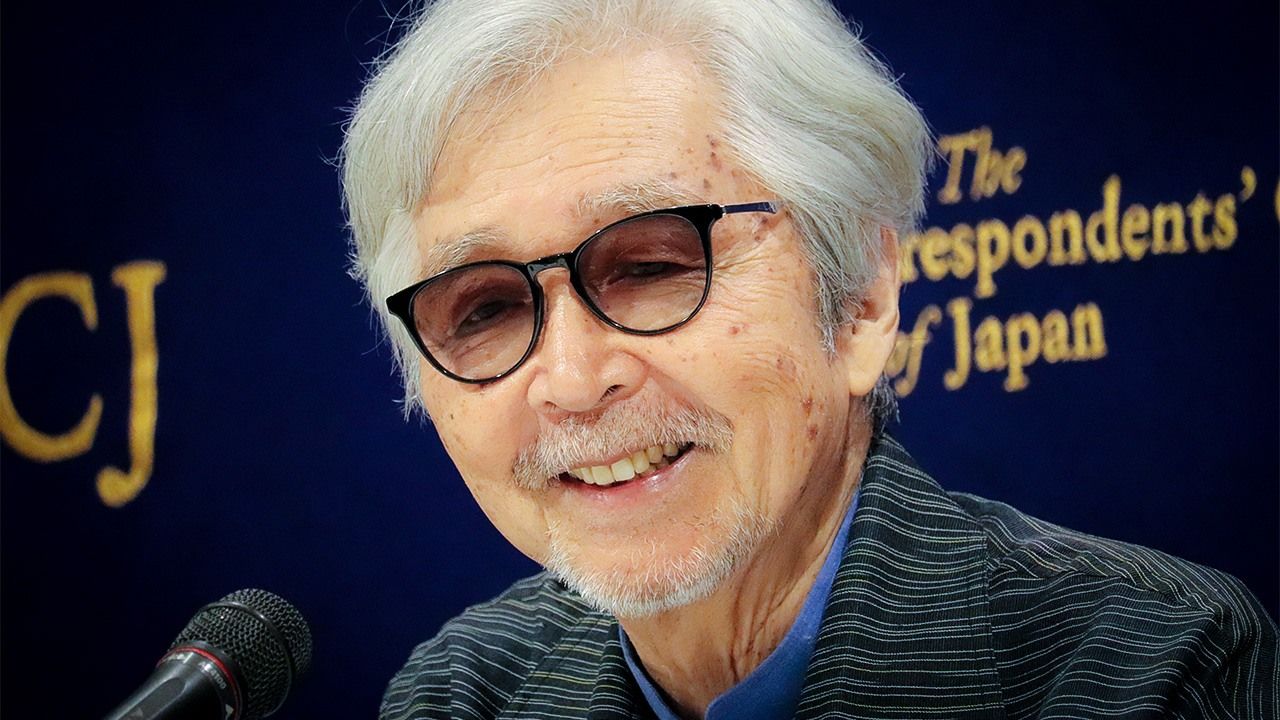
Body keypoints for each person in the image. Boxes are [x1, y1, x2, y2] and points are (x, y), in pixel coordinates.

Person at [341, 1, 1278, 717]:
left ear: (861, 298)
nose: (575, 381)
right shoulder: (458, 695)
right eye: (487, 308)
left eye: (653, 265)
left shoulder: (1158, 667)